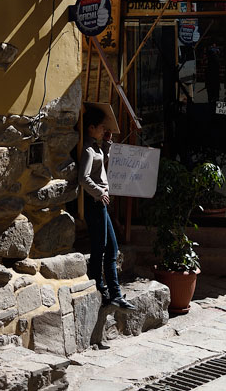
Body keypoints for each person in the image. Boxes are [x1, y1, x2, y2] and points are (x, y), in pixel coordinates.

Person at [79, 106, 136, 310]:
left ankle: (114, 293)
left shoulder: (95, 148)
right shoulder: (87, 150)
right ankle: (102, 289)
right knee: (100, 247)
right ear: (91, 127)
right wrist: (99, 192)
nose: (104, 129)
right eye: (101, 127)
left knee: (111, 247)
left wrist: (107, 143)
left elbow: (101, 163)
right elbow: (83, 178)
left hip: (100, 203)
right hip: (95, 204)